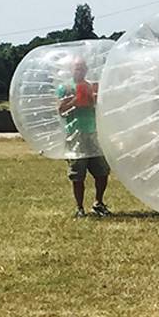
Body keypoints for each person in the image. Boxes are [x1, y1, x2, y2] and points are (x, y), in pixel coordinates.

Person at [56, 56, 110, 218]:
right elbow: (60, 110)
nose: (79, 70)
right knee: (77, 173)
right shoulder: (65, 87)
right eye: (76, 67)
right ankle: (79, 208)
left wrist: (93, 100)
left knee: (102, 171)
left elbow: (100, 109)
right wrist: (74, 101)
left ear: (86, 70)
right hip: (75, 134)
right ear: (71, 70)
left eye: (81, 67)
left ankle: (98, 203)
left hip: (93, 133)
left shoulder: (91, 86)